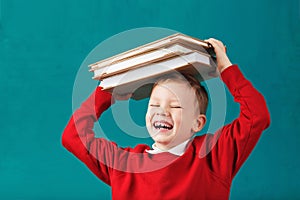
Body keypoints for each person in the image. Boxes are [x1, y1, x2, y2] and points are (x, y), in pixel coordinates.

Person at [62, 38, 270, 199]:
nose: (162, 111)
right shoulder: (124, 164)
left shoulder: (214, 155)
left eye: (175, 105)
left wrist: (226, 68)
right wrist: (108, 92)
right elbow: (72, 137)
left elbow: (257, 115)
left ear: (197, 123)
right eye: (154, 105)